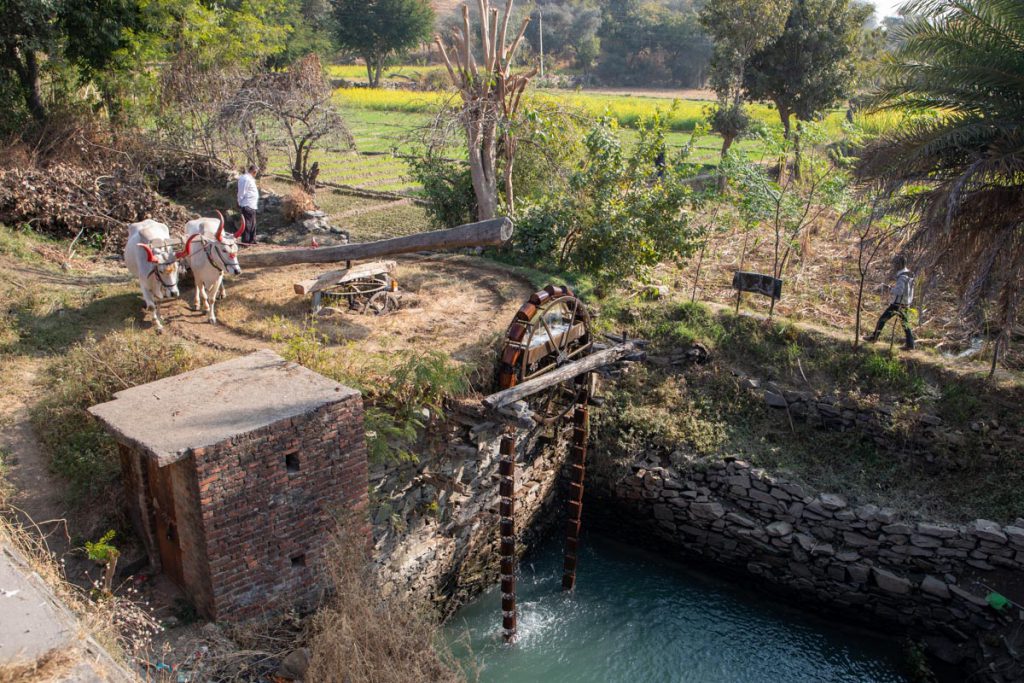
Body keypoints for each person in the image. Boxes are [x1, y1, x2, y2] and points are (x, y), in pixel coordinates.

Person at [865, 255, 916, 350]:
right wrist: (908, 302)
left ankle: (874, 338)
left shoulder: (902, 276)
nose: (894, 265)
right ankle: (910, 345)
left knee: (882, 319)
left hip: (897, 304)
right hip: (906, 304)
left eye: (896, 263)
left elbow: (899, 291)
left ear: (900, 264)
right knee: (905, 325)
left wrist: (889, 288)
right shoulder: (910, 275)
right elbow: (911, 292)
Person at [236, 164, 259, 245]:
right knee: (247, 224)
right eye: (256, 172)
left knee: (252, 223)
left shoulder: (250, 179)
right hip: (247, 204)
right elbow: (241, 192)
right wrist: (239, 201)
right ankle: (246, 241)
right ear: (254, 171)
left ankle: (252, 240)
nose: (256, 174)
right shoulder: (245, 179)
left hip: (251, 204)